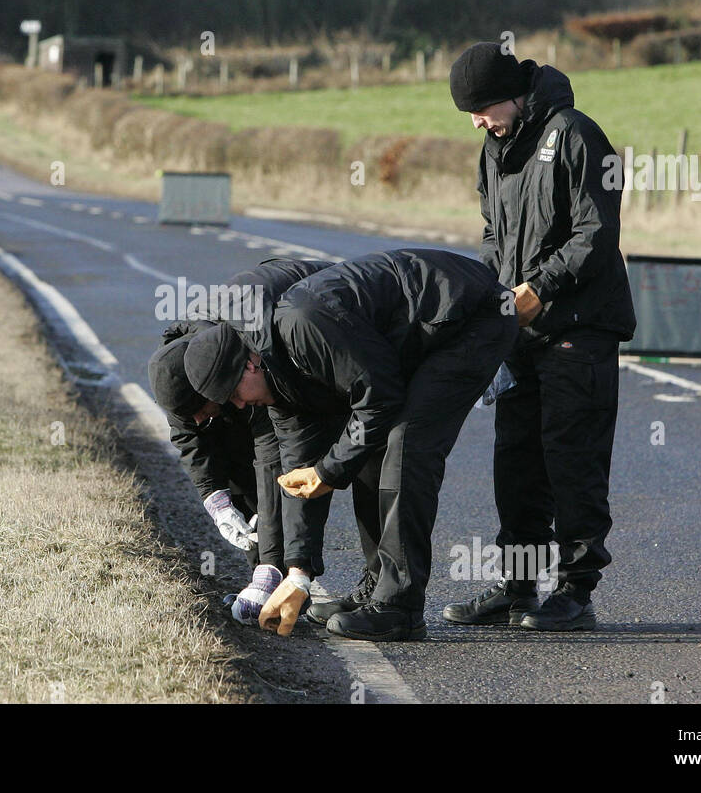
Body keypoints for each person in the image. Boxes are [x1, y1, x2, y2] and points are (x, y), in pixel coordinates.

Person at [184, 248, 517, 642]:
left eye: (234, 394)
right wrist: (298, 574)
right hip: (417, 337)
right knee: (368, 453)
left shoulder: (300, 326)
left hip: (469, 316)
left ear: (250, 364)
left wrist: (328, 471)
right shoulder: (279, 387)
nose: (239, 406)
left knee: (405, 445)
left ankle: (400, 607)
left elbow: (379, 401)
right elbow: (297, 478)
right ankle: (377, 586)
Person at [443, 42, 636, 632]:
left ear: (515, 93)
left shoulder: (578, 135)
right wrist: (495, 295)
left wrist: (540, 288)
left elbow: (596, 232)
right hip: (519, 330)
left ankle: (577, 591)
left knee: (570, 457)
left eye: (482, 109)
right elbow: (491, 231)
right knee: (516, 460)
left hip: (580, 328)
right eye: (470, 114)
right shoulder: (493, 147)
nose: (477, 121)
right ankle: (519, 586)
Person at [147, 257, 335, 624]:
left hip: (320, 313)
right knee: (225, 451)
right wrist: (214, 498)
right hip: (250, 357)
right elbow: (190, 436)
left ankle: (280, 576)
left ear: (210, 385)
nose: (199, 420)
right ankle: (267, 580)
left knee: (305, 470)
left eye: (202, 409)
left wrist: (271, 566)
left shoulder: (238, 361)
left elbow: (271, 461)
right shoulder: (176, 373)